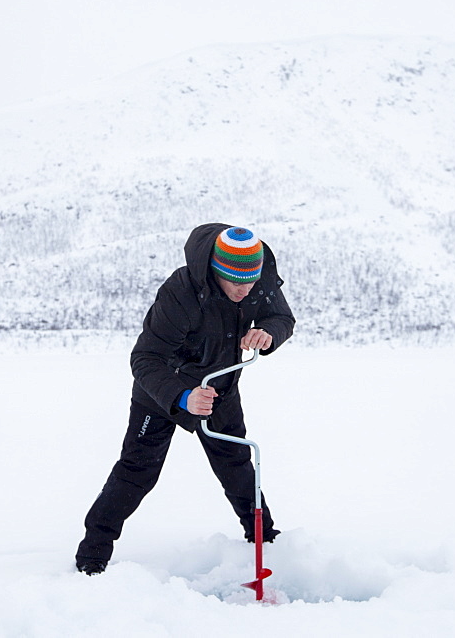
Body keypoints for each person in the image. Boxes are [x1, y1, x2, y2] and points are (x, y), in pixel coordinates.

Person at [75, 223, 296, 575]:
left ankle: (266, 542)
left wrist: (268, 333)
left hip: (220, 387)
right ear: (216, 272)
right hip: (162, 393)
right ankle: (91, 556)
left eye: (251, 283)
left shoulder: (258, 274)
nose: (245, 290)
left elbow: (281, 317)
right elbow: (145, 359)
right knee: (137, 472)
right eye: (236, 283)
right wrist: (182, 397)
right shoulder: (181, 291)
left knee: (236, 463)